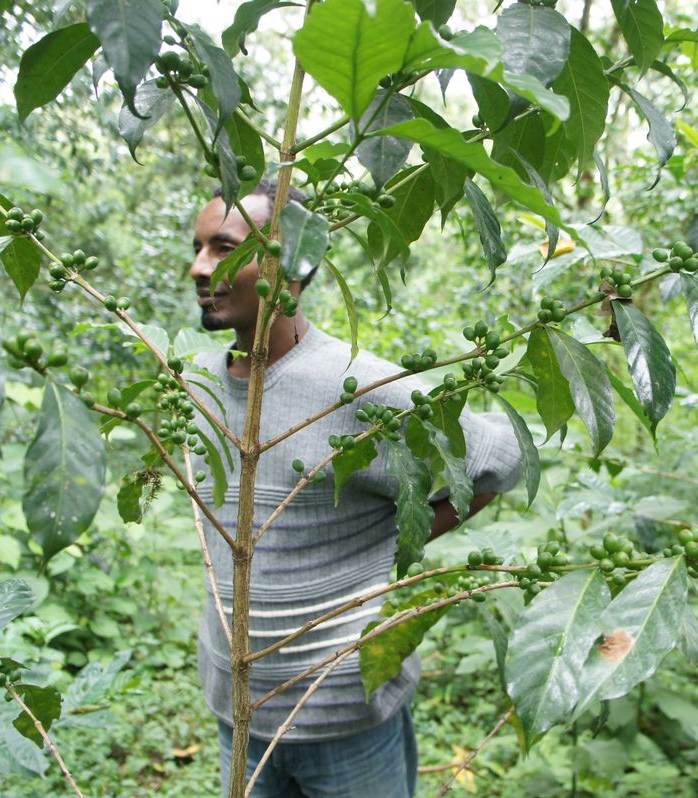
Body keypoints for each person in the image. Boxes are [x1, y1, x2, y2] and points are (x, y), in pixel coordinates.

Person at [186, 179, 523, 797]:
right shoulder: (196, 386)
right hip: (238, 713)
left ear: (294, 262)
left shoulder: (358, 387)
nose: (199, 268)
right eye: (199, 248)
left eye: (224, 248)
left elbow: (495, 462)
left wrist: (390, 541)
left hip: (345, 718)